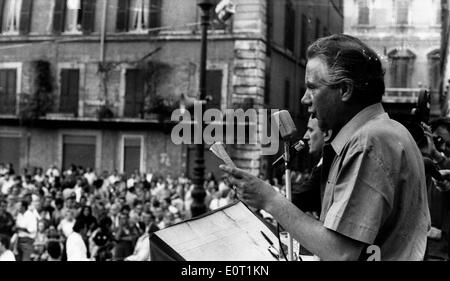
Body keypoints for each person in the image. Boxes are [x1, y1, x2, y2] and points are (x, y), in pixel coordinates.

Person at [221, 34, 430, 261]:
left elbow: (340, 252)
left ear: (345, 90)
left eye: (312, 88)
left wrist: (268, 198)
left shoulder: (368, 143)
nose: (304, 99)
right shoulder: (388, 132)